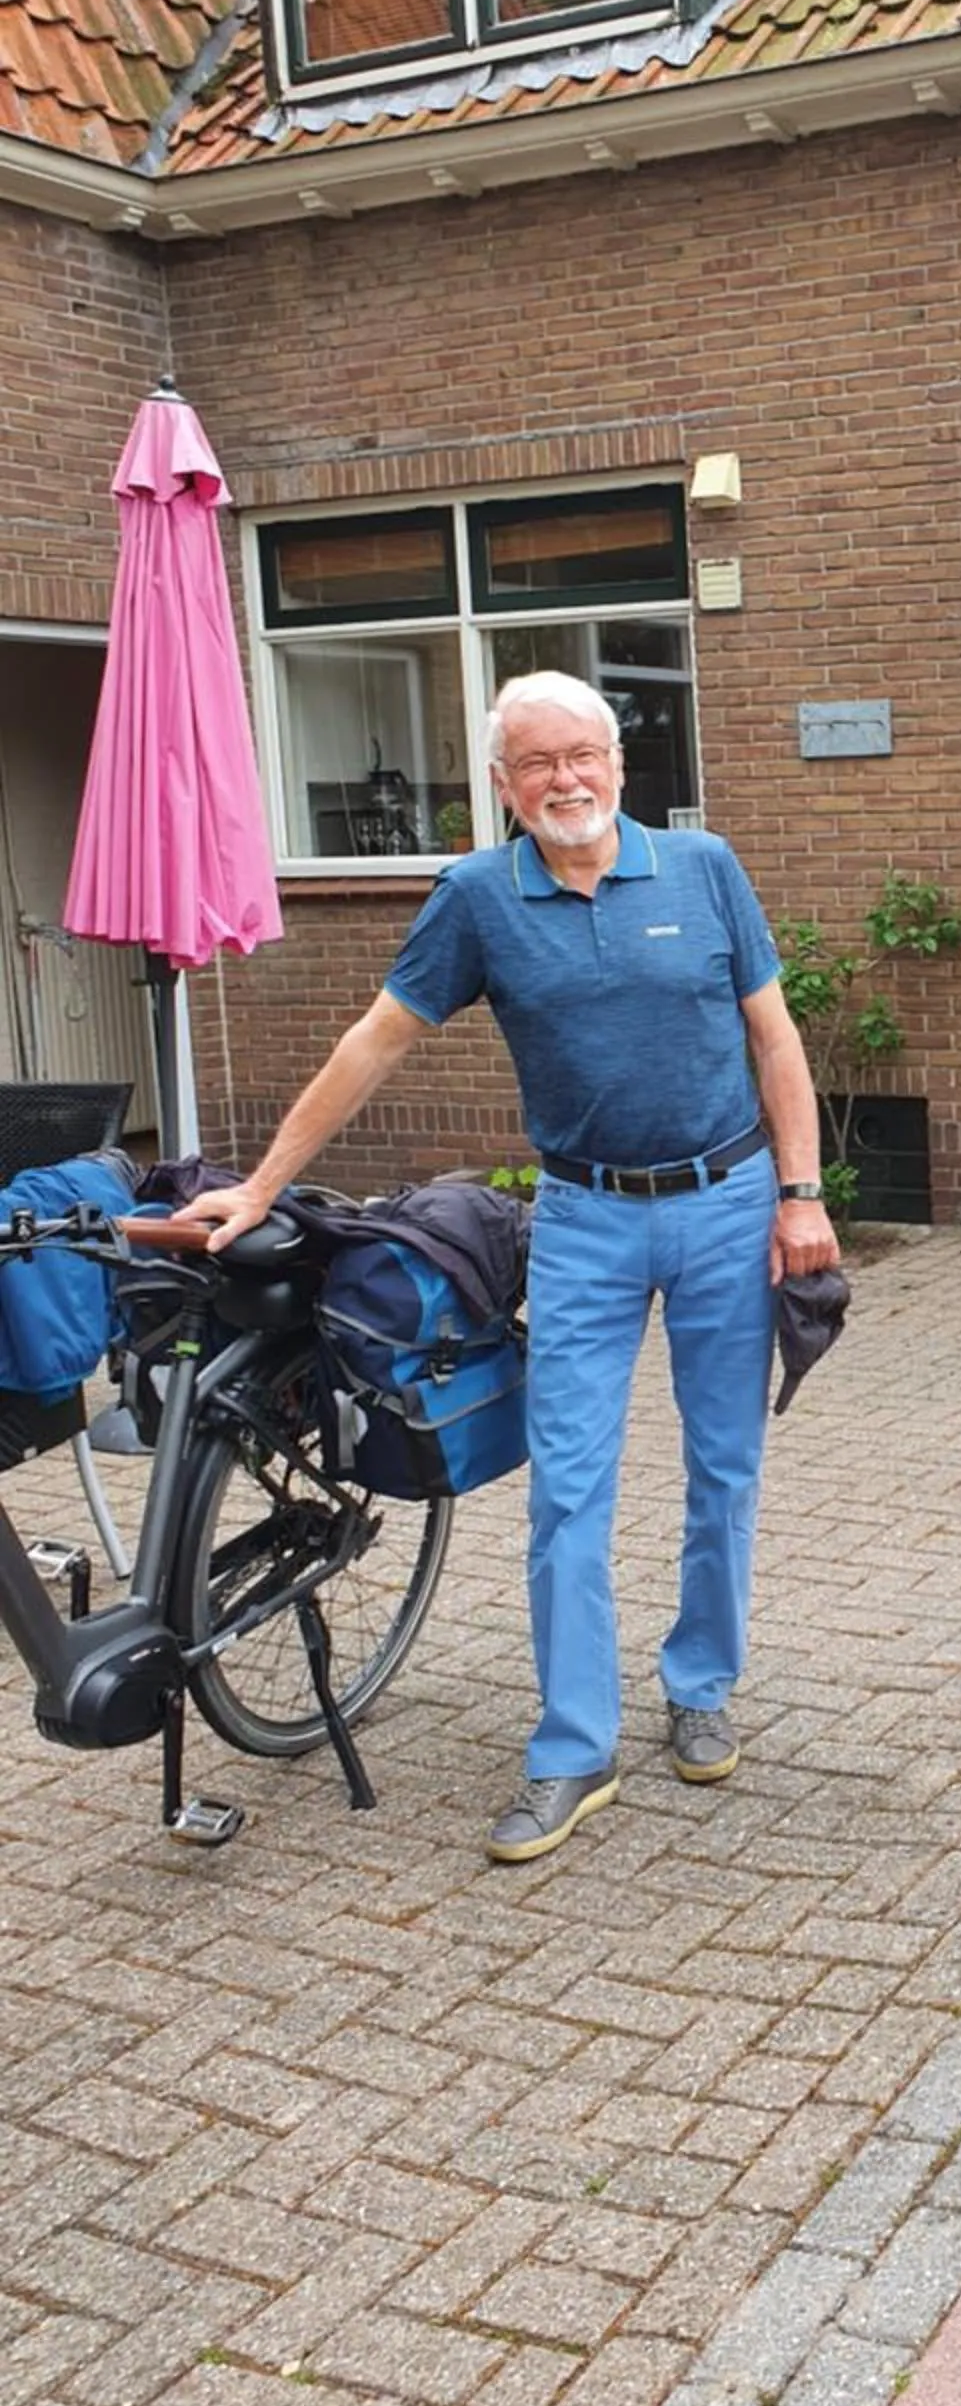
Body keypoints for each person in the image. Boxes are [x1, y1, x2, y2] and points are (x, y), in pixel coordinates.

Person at [188, 670, 839, 1862]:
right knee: (569, 1489)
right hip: (585, 1219)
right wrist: (265, 1186)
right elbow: (374, 1042)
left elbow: (775, 1036)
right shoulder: (478, 899)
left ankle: (700, 1684)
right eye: (536, 764)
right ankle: (573, 1745)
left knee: (722, 1468)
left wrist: (800, 1196)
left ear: (620, 764)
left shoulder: (705, 871)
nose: (565, 780)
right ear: (503, 786)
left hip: (727, 1204)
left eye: (582, 755)